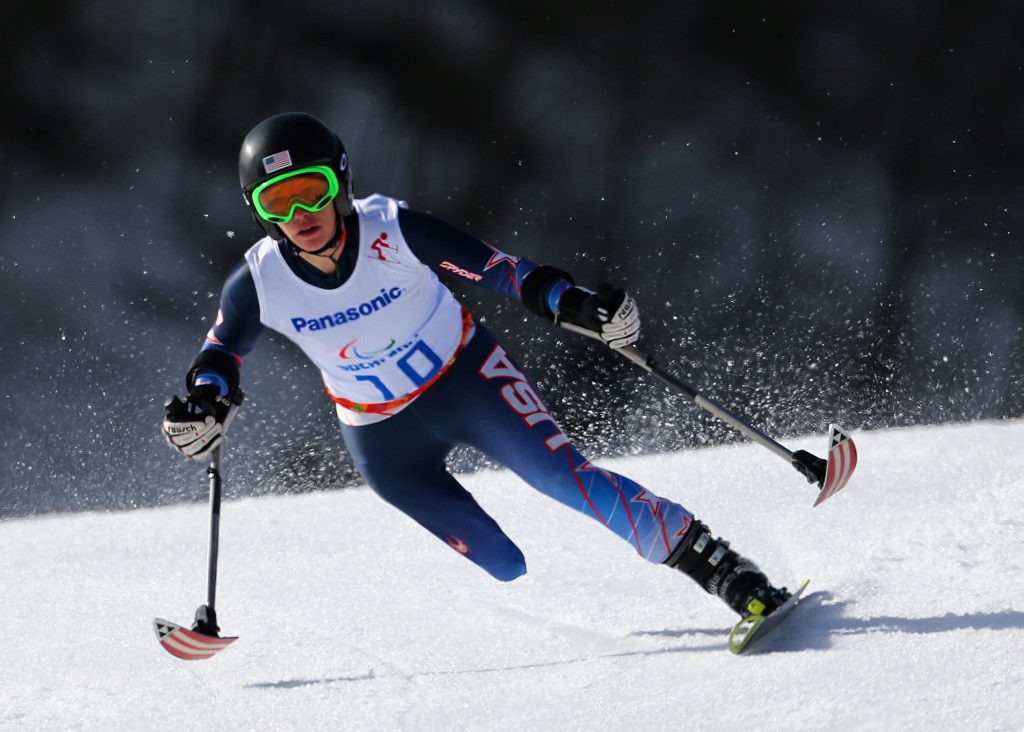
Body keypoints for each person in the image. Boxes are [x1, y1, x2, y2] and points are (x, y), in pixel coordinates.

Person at [162, 111, 791, 627]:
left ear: (342, 183)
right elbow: (221, 354)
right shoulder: (259, 280)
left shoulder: (392, 229)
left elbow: (502, 270)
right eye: (280, 199)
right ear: (260, 210)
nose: (302, 213)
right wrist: (204, 403)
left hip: (469, 380)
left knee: (560, 476)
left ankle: (724, 571)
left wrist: (575, 304)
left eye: (314, 189)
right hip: (382, 440)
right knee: (502, 563)